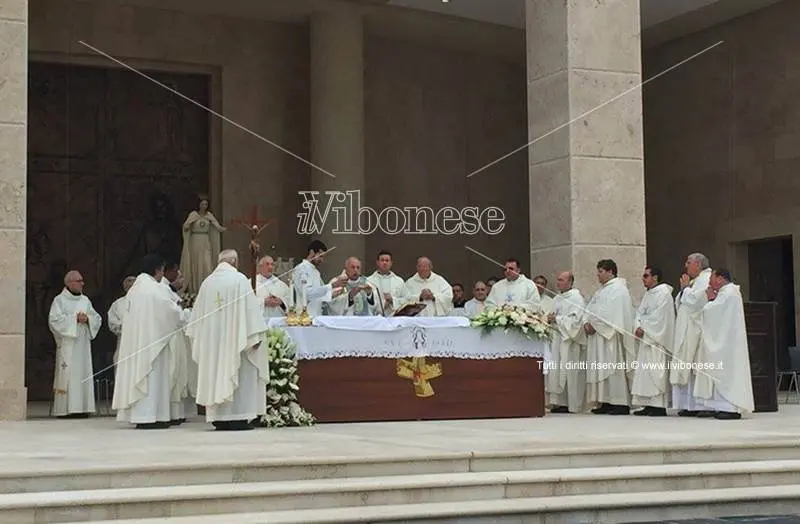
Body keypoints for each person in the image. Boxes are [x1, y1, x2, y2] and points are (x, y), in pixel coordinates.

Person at [186, 249, 269, 431]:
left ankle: (219, 418)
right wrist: (255, 336)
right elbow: (250, 310)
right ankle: (238, 417)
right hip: (235, 341)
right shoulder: (239, 280)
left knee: (215, 372)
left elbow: (196, 317)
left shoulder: (207, 283)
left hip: (212, 344)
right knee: (238, 371)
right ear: (235, 262)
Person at [113, 254, 186, 429]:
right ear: (157, 270)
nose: (162, 274)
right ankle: (154, 416)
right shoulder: (154, 289)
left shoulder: (136, 289)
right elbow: (171, 313)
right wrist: (186, 315)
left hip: (138, 343)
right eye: (161, 270)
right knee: (154, 378)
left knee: (143, 378)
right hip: (154, 345)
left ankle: (142, 416)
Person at [693, 269, 754, 420]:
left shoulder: (728, 294)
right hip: (727, 342)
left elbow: (711, 312)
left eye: (712, 279)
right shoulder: (729, 293)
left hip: (728, 345)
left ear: (720, 279)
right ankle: (722, 407)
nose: (709, 283)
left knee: (727, 374)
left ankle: (730, 408)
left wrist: (710, 300)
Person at [584, 259, 635, 415]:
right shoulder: (601, 291)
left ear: (611, 272)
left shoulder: (619, 289)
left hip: (610, 337)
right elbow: (589, 308)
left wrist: (595, 324)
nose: (597, 275)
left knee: (613, 368)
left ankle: (620, 403)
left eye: (601, 271)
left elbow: (613, 314)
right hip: (598, 336)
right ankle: (605, 401)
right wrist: (586, 322)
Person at [48, 270, 102, 418]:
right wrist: (74, 319)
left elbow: (97, 318)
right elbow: (54, 321)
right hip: (68, 346)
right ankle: (65, 410)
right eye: (79, 281)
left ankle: (83, 408)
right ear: (69, 283)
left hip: (83, 347)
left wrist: (88, 319)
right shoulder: (59, 300)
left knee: (83, 373)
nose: (82, 283)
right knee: (70, 376)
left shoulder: (85, 300)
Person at [670, 252, 713, 416]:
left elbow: (696, 302)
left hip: (698, 333)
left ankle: (701, 406)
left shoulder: (706, 279)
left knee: (697, 369)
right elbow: (681, 302)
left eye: (688, 262)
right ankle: (689, 405)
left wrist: (686, 289)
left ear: (699, 264)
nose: (685, 266)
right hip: (687, 330)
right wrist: (684, 290)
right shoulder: (696, 281)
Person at [631, 265, 675, 416]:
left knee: (655, 372)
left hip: (656, 341)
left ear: (655, 277)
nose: (643, 279)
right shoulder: (648, 294)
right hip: (646, 340)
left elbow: (660, 318)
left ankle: (658, 406)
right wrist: (637, 325)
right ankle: (648, 404)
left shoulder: (664, 294)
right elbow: (639, 313)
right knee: (645, 373)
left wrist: (644, 327)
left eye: (646, 276)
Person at [545, 271, 587, 414]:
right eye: (558, 280)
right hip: (557, 340)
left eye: (561, 280)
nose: (558, 282)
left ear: (570, 282)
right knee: (557, 372)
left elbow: (576, 322)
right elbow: (551, 316)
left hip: (569, 342)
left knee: (570, 372)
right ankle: (560, 402)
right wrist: (550, 319)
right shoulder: (557, 298)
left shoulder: (576, 298)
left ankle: (572, 404)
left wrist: (557, 319)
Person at [179, 195, 226, 295]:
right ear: (198, 205)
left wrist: (223, 228)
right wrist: (186, 226)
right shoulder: (193, 215)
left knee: (207, 264)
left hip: (205, 241)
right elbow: (186, 226)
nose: (204, 206)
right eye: (202, 204)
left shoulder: (209, 215)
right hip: (195, 241)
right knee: (196, 263)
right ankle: (195, 289)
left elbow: (217, 226)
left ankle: (206, 287)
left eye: (206, 204)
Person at [292, 240, 348, 316]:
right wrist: (332, 285)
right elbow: (307, 293)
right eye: (320, 256)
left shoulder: (316, 272)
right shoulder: (301, 268)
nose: (322, 260)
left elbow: (319, 295)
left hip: (317, 315)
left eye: (323, 257)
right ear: (312, 252)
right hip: (304, 316)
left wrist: (333, 294)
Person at [367, 250, 408, 316]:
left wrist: (392, 300)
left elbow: (406, 300)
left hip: (395, 319)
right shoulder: (369, 281)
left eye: (387, 260)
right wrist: (383, 305)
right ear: (377, 262)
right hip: (376, 319)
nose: (384, 263)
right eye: (382, 260)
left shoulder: (399, 281)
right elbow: (366, 303)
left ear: (391, 263)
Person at [108, 275, 136, 366]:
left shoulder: (146, 302)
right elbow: (112, 322)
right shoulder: (118, 304)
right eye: (128, 282)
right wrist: (126, 325)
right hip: (123, 343)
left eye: (133, 282)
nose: (130, 285)